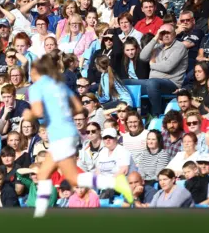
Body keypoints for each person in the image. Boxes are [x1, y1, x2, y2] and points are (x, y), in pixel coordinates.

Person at [22, 54, 133, 218]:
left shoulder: (37, 88)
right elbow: (78, 107)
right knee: (45, 174)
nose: (31, 75)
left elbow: (37, 112)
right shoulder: (60, 86)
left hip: (60, 135)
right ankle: (40, 212)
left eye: (32, 72)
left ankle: (114, 182)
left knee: (72, 178)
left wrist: (28, 113)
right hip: (69, 133)